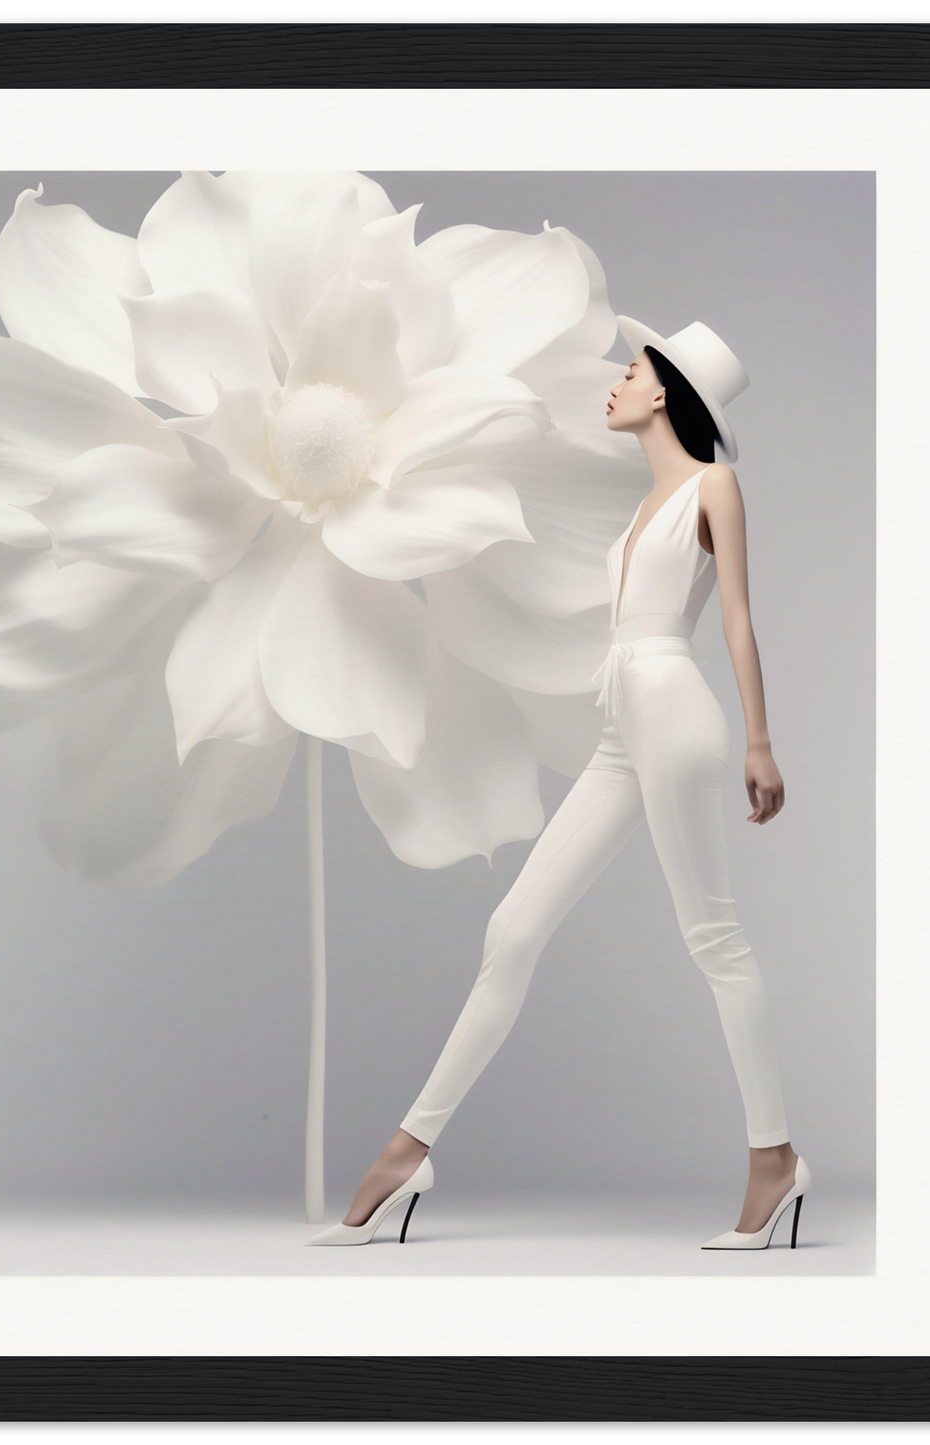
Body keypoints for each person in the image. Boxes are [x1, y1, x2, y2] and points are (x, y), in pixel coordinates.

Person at [306, 317, 811, 1250]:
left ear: (665, 393)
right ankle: (411, 1147)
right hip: (621, 718)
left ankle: (772, 1158)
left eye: (630, 371)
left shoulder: (714, 485)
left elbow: (736, 617)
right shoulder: (640, 506)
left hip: (673, 706)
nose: (613, 385)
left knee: (712, 937)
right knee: (513, 928)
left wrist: (761, 740)